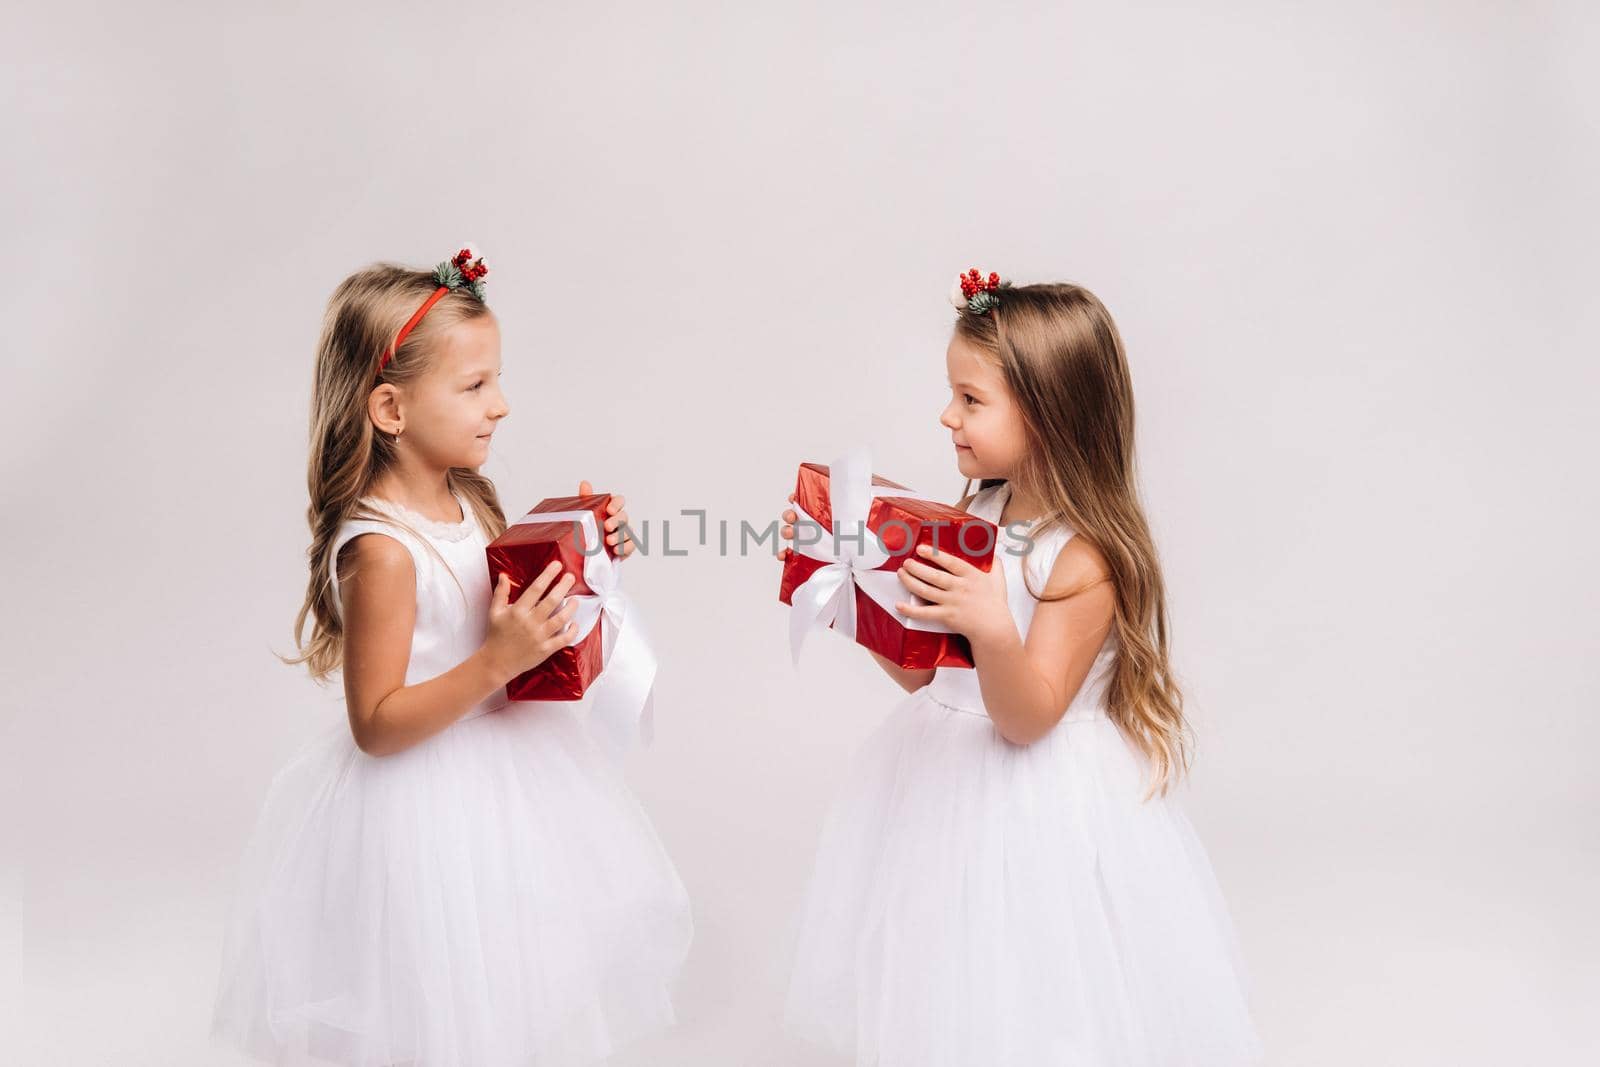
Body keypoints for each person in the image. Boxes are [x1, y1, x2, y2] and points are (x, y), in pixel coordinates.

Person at [211, 249, 692, 1066]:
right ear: (391, 408)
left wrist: (583, 554)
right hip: (421, 804)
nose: (500, 405)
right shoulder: (383, 551)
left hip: (510, 781)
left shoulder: (465, 495)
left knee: (512, 977)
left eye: (496, 379)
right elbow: (376, 722)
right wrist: (493, 665)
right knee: (438, 994)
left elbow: (500, 614)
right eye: (474, 386)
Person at [779, 271, 1264, 1066]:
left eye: (971, 399)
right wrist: (842, 599)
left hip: (1034, 801)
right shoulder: (978, 516)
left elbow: (1028, 714)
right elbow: (936, 673)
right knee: (946, 961)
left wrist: (994, 631)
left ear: (1047, 414)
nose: (947, 415)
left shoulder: (1083, 558)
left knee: (1029, 975)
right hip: (943, 779)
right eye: (952, 395)